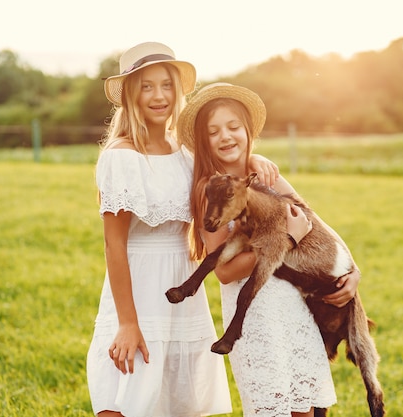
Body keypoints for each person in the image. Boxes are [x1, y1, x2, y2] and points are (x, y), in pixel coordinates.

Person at [86, 42, 282, 417]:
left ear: (178, 90)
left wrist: (253, 157)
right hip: (139, 290)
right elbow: (114, 246)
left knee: (179, 404)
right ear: (130, 95)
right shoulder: (120, 157)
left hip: (182, 291)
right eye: (146, 86)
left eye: (166, 85)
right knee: (127, 400)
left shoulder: (186, 153)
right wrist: (128, 322)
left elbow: (225, 166)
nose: (158, 96)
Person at [178, 83, 361, 417]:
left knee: (307, 408)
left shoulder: (265, 176)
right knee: (274, 406)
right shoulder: (209, 190)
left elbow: (316, 222)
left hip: (294, 311)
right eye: (214, 131)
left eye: (233, 127)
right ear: (203, 141)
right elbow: (223, 271)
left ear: (248, 131)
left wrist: (353, 268)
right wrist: (287, 240)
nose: (226, 136)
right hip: (256, 320)